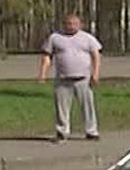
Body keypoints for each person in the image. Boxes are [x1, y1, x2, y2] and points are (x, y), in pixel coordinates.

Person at [40, 14, 103, 142]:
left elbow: (96, 56)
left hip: (83, 78)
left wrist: (95, 74)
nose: (71, 26)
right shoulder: (55, 38)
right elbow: (47, 56)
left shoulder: (87, 38)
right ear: (64, 24)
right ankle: (62, 132)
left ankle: (91, 131)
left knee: (88, 106)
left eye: (74, 23)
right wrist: (43, 73)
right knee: (62, 107)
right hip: (63, 79)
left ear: (80, 25)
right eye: (68, 23)